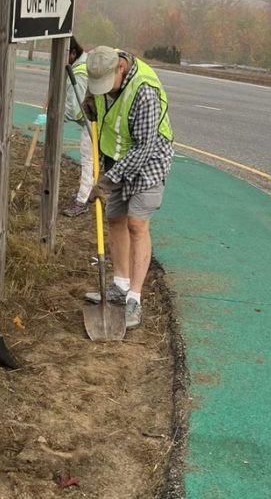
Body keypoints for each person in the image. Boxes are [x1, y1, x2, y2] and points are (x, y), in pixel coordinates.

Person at [82, 45, 174, 330]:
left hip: (148, 161)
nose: (103, 90)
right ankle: (120, 285)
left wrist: (107, 181)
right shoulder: (101, 69)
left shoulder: (143, 89)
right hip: (116, 156)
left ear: (120, 68)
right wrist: (90, 100)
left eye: (106, 85)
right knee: (114, 219)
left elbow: (144, 147)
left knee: (137, 223)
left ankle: (134, 296)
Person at [61, 36, 93, 217]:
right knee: (95, 160)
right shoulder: (84, 62)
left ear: (73, 53)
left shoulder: (79, 72)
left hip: (93, 122)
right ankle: (89, 192)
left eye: (65, 55)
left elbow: (76, 109)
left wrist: (57, 117)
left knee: (88, 159)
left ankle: (81, 201)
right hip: (99, 118)